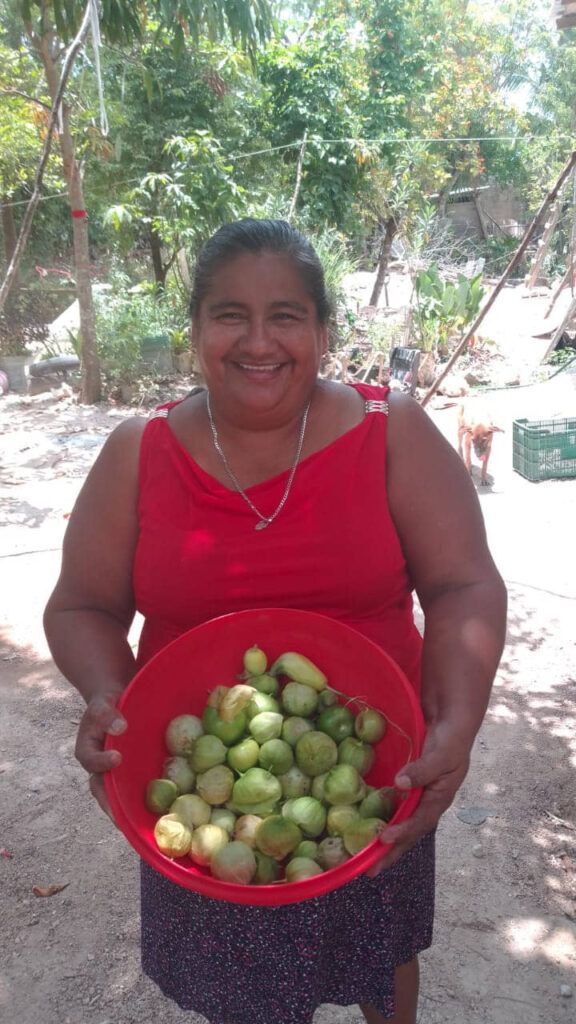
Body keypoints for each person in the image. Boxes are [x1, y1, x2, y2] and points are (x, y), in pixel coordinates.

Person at [43, 218, 507, 1024]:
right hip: (202, 798)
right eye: (230, 315)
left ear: (323, 331)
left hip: (374, 773)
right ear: (196, 332)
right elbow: (81, 605)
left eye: (286, 315)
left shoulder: (388, 430)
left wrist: (455, 726)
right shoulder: (138, 450)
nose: (259, 342)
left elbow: (465, 585)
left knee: (379, 954)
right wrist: (115, 705)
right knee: (239, 991)